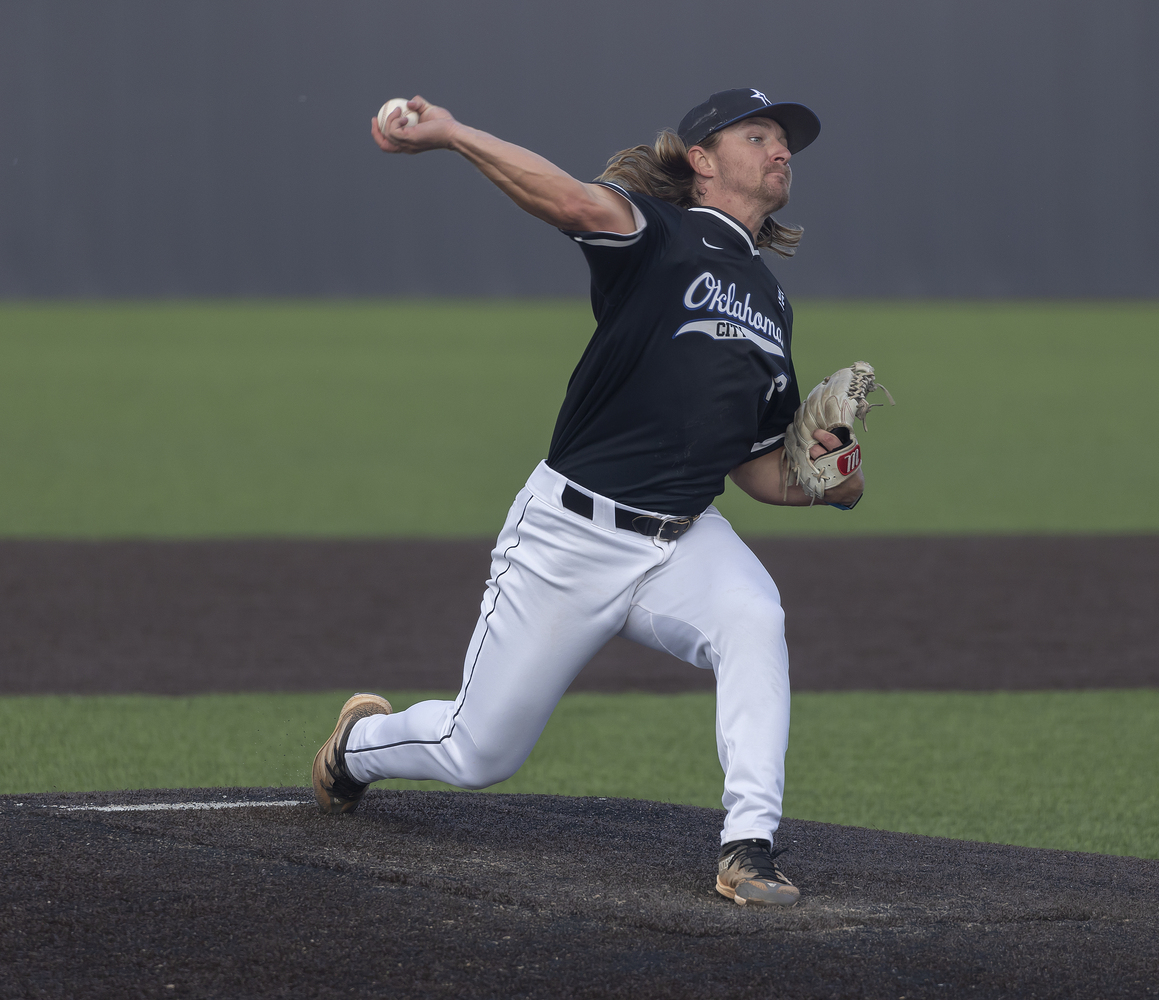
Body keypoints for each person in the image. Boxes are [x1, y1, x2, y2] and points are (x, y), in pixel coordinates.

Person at [312, 88, 863, 907]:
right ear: (702, 160)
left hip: (682, 538)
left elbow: (758, 469)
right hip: (570, 537)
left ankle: (749, 846)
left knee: (754, 616)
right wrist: (456, 133)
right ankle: (358, 746)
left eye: (786, 142)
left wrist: (835, 485)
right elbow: (568, 198)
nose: (782, 151)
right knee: (479, 752)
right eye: (761, 135)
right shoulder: (660, 235)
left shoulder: (772, 304)